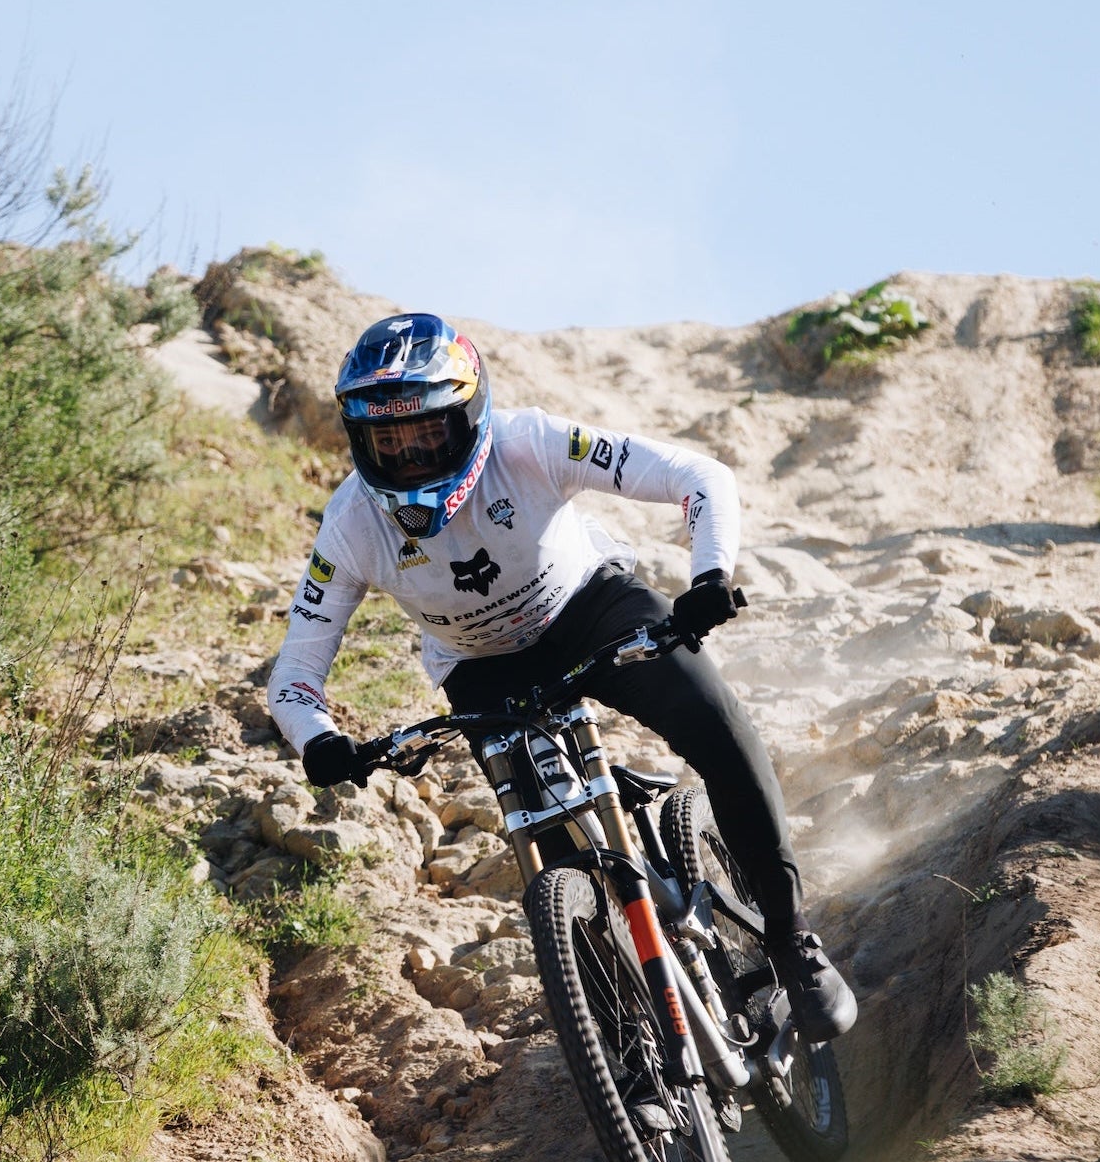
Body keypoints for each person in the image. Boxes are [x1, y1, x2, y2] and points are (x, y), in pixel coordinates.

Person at [266, 312, 857, 1041]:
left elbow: (697, 476)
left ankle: (792, 940)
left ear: (470, 415)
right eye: (388, 442)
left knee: (720, 729)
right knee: (553, 862)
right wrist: (317, 741)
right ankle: (623, 1040)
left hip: (591, 610)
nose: (411, 457)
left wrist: (709, 575)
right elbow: (295, 671)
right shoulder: (352, 522)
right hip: (482, 671)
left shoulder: (531, 442)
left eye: (426, 434)